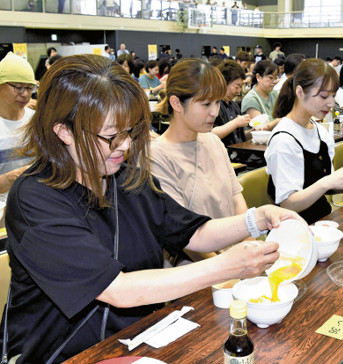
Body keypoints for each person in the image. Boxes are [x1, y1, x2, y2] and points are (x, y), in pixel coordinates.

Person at [0, 54, 300, 364]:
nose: (126, 146)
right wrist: (228, 266)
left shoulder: (125, 178)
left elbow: (192, 232)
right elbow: (117, 290)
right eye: (111, 136)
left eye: (130, 132)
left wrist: (257, 218)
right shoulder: (35, 198)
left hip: (138, 339)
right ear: (64, 131)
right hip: (64, 352)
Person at [150, 59, 249, 260]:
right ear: (176, 103)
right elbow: (184, 236)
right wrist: (228, 266)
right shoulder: (156, 157)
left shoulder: (213, 141)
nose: (215, 112)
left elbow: (236, 198)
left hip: (235, 256)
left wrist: (248, 244)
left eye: (217, 102)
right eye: (205, 104)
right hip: (200, 266)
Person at [265, 58, 343, 224]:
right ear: (300, 92)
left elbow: (323, 184)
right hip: (295, 229)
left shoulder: (320, 132)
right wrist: (327, 182)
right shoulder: (284, 139)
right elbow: (287, 204)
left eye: (333, 96)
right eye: (324, 96)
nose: (331, 103)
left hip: (323, 220)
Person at [0, 52, 36, 198]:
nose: (25, 94)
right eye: (19, 87)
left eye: (29, 88)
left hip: (33, 203)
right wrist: (11, 178)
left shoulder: (35, 121)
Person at [213, 60, 251, 147]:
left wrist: (252, 132)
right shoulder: (214, 105)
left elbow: (237, 136)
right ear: (224, 83)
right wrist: (236, 122)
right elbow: (211, 134)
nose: (239, 91)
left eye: (241, 87)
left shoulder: (233, 105)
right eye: (236, 87)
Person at [241, 59, 279, 128]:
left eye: (275, 78)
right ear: (258, 77)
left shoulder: (274, 94)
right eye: (270, 78)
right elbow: (261, 127)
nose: (274, 81)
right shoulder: (251, 99)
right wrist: (280, 120)